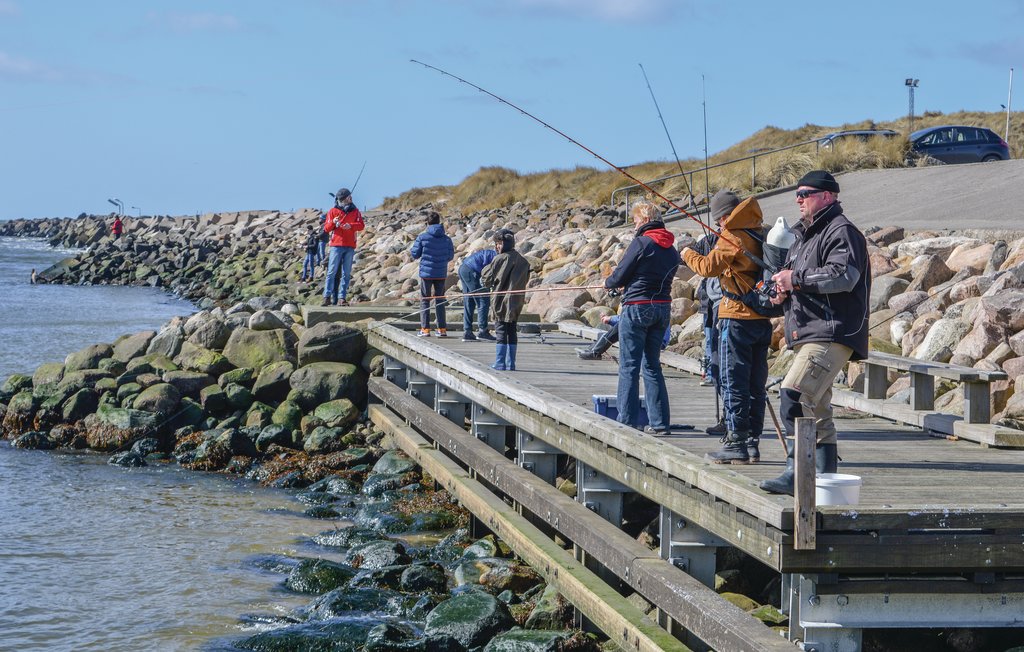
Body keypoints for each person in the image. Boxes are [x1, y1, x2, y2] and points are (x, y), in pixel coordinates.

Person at [759, 170, 871, 495]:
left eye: (805, 193)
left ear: (827, 196)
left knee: (794, 396)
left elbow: (843, 276)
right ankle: (823, 482)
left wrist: (795, 279)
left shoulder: (842, 231)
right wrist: (781, 291)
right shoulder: (802, 236)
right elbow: (802, 281)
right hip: (811, 333)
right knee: (818, 411)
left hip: (832, 332)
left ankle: (797, 476)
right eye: (797, 194)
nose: (798, 199)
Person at [682, 191, 771, 464]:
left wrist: (687, 253)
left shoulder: (732, 235)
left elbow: (708, 267)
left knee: (734, 381)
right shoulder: (760, 231)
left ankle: (736, 443)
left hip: (737, 317)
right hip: (762, 318)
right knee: (757, 384)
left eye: (719, 220)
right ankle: (753, 443)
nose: (719, 225)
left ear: (723, 216)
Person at [604, 201, 680, 435]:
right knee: (652, 366)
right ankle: (659, 423)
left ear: (645, 220)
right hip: (662, 309)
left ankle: (626, 420)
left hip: (637, 307)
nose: (634, 225)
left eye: (636, 220)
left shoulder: (641, 243)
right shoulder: (672, 249)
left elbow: (619, 275)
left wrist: (610, 284)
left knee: (629, 365)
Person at [480, 229, 530, 370]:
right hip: (516, 301)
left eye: (500, 243)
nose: (497, 246)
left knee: (501, 330)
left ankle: (500, 362)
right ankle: (511, 363)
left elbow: (487, 279)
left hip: (501, 301)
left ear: (507, 244)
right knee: (512, 330)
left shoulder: (499, 259)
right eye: (496, 243)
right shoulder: (523, 261)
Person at [410, 211, 455, 337]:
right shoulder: (447, 239)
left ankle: (425, 329)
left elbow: (415, 254)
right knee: (440, 300)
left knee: (425, 299)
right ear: (439, 222)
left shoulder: (422, 237)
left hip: (426, 274)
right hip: (440, 273)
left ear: (427, 223)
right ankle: (442, 329)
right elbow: (450, 256)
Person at [322, 188, 364, 306]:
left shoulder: (355, 211)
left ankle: (342, 298)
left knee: (346, 273)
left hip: (350, 245)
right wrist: (333, 222)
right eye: (348, 197)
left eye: (350, 196)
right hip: (336, 245)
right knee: (331, 272)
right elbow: (326, 229)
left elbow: (361, 225)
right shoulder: (332, 211)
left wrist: (350, 226)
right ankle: (326, 296)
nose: (351, 198)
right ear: (343, 199)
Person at [574, 312, 670, 360]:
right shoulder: (658, 303)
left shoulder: (645, 301)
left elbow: (629, 318)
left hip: (655, 342)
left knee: (621, 325)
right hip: (653, 338)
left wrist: (610, 319)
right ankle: (594, 349)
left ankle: (595, 352)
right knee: (622, 324)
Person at [458, 246, 498, 342]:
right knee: (483, 300)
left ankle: (467, 332)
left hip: (463, 268)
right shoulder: (498, 257)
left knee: (469, 301)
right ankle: (482, 331)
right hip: (471, 271)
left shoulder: (492, 253)